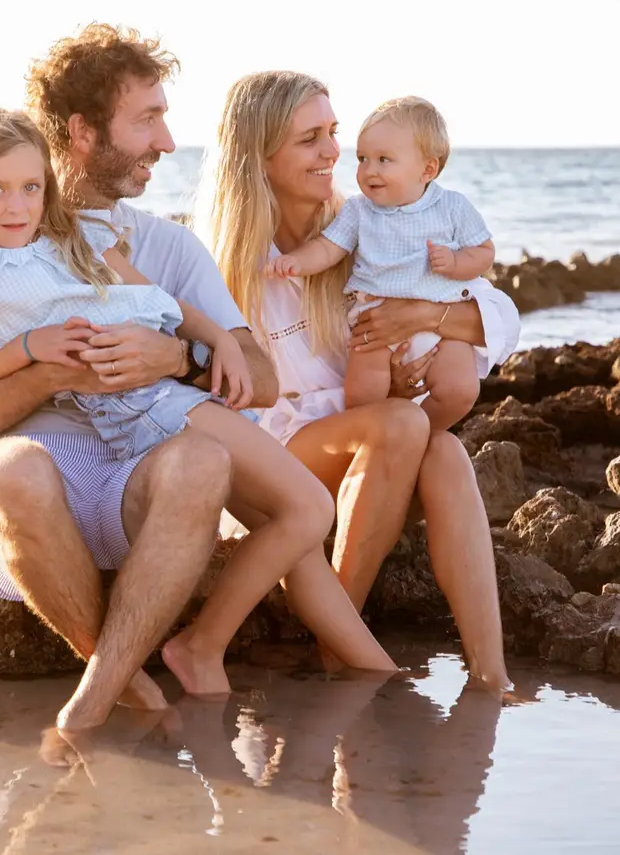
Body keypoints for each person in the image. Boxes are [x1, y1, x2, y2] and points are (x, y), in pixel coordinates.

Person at [0, 26, 396, 733]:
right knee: (15, 472)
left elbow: (254, 375)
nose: (166, 142)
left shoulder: (164, 245)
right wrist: (50, 367)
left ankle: (158, 671)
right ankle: (115, 679)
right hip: (35, 477)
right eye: (147, 120)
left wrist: (172, 359)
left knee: (213, 465)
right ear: (80, 132)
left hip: (145, 470)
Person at [199, 70, 516, 690]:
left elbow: (498, 312)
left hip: (369, 439)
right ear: (258, 155)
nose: (333, 153)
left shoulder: (368, 222)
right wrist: (385, 405)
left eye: (333, 133)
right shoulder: (223, 261)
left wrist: (424, 316)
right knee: (401, 423)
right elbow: (231, 406)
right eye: (310, 138)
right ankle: (341, 643)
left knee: (446, 451)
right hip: (277, 454)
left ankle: (491, 675)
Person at [0, 106, 256, 462]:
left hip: (169, 389)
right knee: (289, 503)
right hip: (131, 408)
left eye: (30, 187)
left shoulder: (78, 240)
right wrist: (29, 346)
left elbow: (160, 301)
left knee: (303, 507)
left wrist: (218, 338)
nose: (16, 207)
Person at [265, 96, 500, 431]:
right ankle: (380, 440)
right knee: (364, 394)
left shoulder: (451, 206)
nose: (368, 170)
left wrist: (456, 262)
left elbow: (484, 252)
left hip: (440, 321)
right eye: (362, 159)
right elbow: (328, 248)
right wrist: (295, 263)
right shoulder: (359, 211)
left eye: (383, 160)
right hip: (373, 320)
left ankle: (425, 435)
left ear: (427, 169)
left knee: (461, 390)